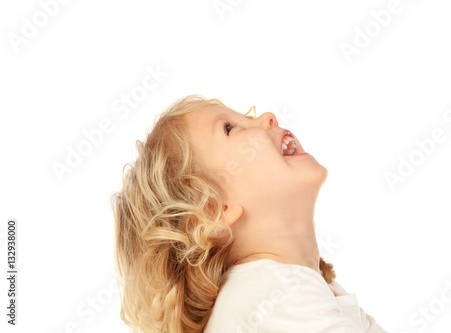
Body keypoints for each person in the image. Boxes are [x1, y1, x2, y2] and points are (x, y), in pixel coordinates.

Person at [110, 94, 388, 332]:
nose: (268, 117)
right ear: (213, 210)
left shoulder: (282, 289)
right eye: (230, 128)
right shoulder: (276, 295)